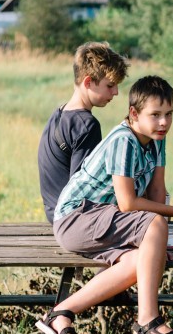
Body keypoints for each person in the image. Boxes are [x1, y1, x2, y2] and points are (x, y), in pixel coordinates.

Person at [37, 76, 173, 334]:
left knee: (140, 261)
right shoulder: (124, 140)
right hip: (77, 218)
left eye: (168, 114)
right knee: (153, 223)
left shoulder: (157, 139)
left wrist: (157, 243)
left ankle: (60, 313)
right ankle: (147, 323)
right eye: (155, 115)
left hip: (103, 220)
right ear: (134, 113)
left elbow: (155, 193)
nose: (163, 122)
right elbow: (128, 203)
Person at [37, 42, 129, 224]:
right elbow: (86, 190)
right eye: (110, 85)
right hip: (71, 219)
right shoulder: (86, 126)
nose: (116, 92)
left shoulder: (60, 113)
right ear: (88, 82)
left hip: (52, 211)